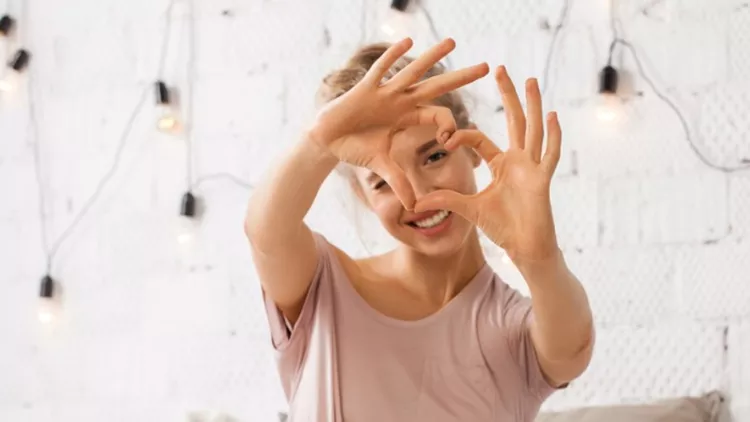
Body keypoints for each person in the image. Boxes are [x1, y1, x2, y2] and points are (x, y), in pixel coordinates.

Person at [245, 37, 595, 422]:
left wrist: (540, 258)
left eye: (434, 156)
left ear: (473, 149)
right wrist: (320, 140)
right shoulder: (322, 290)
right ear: (361, 196)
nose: (417, 195)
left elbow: (572, 351)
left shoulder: (513, 328)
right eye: (381, 180)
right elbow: (265, 232)